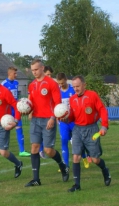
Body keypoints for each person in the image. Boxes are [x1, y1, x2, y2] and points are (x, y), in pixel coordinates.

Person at [24, 59, 69, 187]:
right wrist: (26, 110)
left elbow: (58, 104)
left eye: (36, 69)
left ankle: (63, 166)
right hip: (36, 120)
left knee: (48, 150)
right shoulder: (32, 85)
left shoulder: (51, 84)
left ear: (42, 68)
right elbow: (30, 103)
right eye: (32, 70)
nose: (34, 72)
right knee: (34, 147)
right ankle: (36, 179)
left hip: (48, 119)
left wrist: (52, 118)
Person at [65, 75, 111, 192]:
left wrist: (104, 126)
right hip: (77, 129)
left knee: (95, 159)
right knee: (76, 156)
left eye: (78, 86)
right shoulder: (72, 99)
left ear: (84, 85)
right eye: (74, 86)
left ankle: (105, 170)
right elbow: (72, 117)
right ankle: (77, 185)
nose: (76, 89)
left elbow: (102, 110)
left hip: (91, 129)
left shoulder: (92, 95)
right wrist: (64, 117)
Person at [56, 72, 89, 169]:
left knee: (77, 142)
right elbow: (56, 106)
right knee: (64, 141)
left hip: (74, 121)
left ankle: (84, 157)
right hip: (63, 122)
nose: (61, 85)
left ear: (66, 79)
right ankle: (65, 165)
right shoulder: (57, 92)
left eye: (62, 83)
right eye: (59, 83)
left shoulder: (73, 89)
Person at [2, 67, 31, 157]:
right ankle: (3, 148)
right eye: (15, 73)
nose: (16, 75)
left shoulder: (16, 83)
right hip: (8, 110)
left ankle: (22, 151)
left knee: (19, 128)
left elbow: (16, 97)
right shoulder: (4, 84)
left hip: (16, 109)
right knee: (5, 130)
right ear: (9, 73)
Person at [38, 65, 55, 159]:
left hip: (49, 113)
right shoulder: (38, 84)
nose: (50, 76)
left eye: (50, 75)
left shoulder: (52, 84)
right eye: (48, 74)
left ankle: (45, 149)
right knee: (40, 133)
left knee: (47, 132)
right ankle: (41, 150)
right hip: (40, 114)